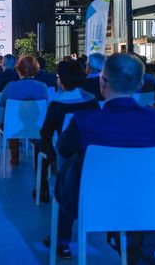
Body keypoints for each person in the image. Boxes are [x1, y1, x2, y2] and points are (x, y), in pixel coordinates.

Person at [47, 53, 155, 261]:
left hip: (93, 202)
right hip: (143, 200)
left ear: (102, 82)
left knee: (68, 165)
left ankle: (62, 238)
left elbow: (63, 149)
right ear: (140, 84)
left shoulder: (84, 121)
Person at [34, 60, 99, 203]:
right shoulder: (92, 101)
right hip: (89, 152)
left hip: (64, 153)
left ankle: (42, 188)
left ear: (62, 80)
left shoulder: (57, 105)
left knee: (40, 144)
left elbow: (45, 133)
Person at [0, 56, 48, 165]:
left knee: (10, 119)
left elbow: (1, 104)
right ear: (36, 70)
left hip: (13, 127)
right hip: (38, 127)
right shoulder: (43, 87)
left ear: (18, 69)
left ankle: (14, 155)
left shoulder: (10, 86)